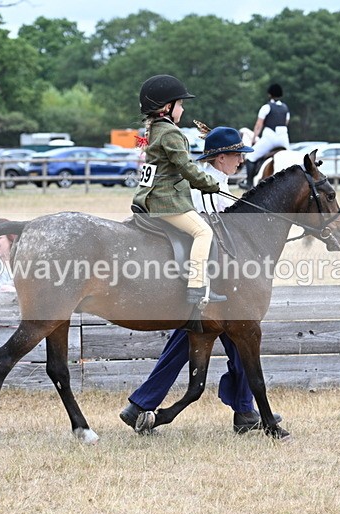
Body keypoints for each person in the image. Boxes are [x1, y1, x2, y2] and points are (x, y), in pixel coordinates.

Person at [121, 126, 281, 433]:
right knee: (230, 340)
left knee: (240, 342)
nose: (241, 162)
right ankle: (143, 404)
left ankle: (245, 411)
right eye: (237, 156)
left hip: (217, 285)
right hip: (199, 282)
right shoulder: (202, 189)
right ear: (221, 158)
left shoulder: (219, 182)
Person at [132, 74, 225, 305]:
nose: (182, 110)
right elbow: (186, 167)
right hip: (166, 200)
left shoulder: (153, 129)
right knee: (204, 232)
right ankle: (197, 287)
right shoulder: (170, 132)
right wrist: (210, 185)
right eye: (180, 104)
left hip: (147, 196)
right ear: (167, 107)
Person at [241, 83, 290, 187]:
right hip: (284, 138)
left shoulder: (266, 107)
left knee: (250, 156)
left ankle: (249, 184)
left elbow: (258, 125)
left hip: (270, 138)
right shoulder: (286, 108)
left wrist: (254, 139)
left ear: (269, 94)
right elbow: (286, 122)